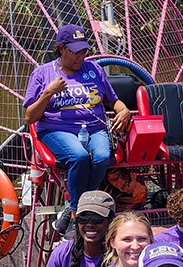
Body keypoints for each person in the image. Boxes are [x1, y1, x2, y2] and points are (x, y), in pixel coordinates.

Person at [22, 24, 131, 235]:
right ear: (61, 49)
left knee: (102, 156)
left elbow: (113, 101)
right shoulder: (42, 73)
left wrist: (124, 110)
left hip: (94, 128)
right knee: (79, 156)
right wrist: (48, 93)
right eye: (75, 52)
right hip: (56, 129)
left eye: (84, 51)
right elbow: (30, 117)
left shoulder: (94, 70)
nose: (81, 57)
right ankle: (76, 214)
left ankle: (74, 209)